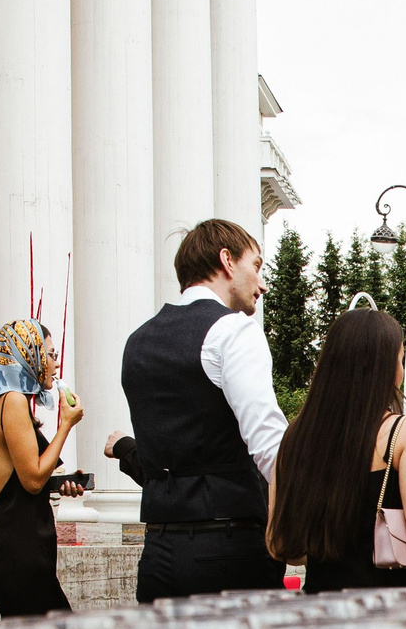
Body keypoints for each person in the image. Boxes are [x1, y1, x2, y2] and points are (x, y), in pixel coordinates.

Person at [121, 217, 287, 602]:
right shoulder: (234, 331)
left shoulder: (137, 342)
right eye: (256, 266)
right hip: (229, 551)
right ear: (227, 261)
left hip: (158, 553)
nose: (262, 283)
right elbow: (270, 446)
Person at [269, 308, 406, 594]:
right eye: (401, 358)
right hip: (396, 613)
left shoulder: (295, 438)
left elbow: (280, 545)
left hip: (322, 612)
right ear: (384, 366)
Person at [0, 319, 80, 619]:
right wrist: (65, 425)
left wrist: (61, 483)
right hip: (22, 562)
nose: (55, 363)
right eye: (49, 354)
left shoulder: (7, 402)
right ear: (28, 355)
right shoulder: (12, 401)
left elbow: (26, 481)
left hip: (27, 559)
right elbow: (32, 480)